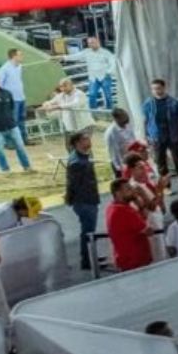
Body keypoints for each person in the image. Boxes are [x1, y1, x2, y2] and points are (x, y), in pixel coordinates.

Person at [65, 130, 100, 270]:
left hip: (88, 199)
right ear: (78, 143)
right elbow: (74, 185)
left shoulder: (83, 157)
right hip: (85, 201)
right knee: (88, 231)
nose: (89, 141)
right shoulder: (77, 163)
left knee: (89, 230)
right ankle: (87, 259)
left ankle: (91, 256)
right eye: (85, 139)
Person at [142, 78, 178, 181]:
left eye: (158, 88)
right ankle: (166, 185)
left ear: (164, 88)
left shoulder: (174, 103)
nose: (156, 91)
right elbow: (146, 120)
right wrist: (145, 136)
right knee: (160, 162)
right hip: (157, 136)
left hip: (173, 135)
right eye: (154, 89)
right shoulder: (148, 104)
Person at [103, 179, 153, 272]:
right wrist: (140, 203)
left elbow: (140, 221)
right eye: (128, 189)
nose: (133, 191)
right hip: (135, 261)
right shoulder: (124, 210)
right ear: (118, 193)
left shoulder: (112, 207)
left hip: (126, 259)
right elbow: (147, 230)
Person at [77, 35, 120, 112]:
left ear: (98, 42)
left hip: (105, 77)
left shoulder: (106, 52)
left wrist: (109, 72)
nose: (91, 44)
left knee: (108, 95)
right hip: (93, 78)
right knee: (92, 94)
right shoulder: (86, 52)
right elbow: (76, 56)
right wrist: (64, 58)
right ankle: (94, 112)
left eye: (92, 42)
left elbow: (113, 62)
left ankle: (110, 111)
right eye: (89, 43)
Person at [0, 49, 26, 143]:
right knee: (12, 121)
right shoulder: (4, 69)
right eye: (20, 55)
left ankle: (23, 139)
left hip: (21, 97)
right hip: (11, 99)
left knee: (21, 119)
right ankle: (10, 142)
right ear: (14, 56)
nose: (22, 57)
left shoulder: (19, 66)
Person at [104, 107, 137, 180]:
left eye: (125, 115)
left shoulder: (128, 126)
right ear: (116, 119)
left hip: (131, 159)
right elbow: (114, 153)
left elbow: (133, 141)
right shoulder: (111, 133)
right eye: (123, 117)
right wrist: (120, 168)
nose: (126, 118)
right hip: (121, 163)